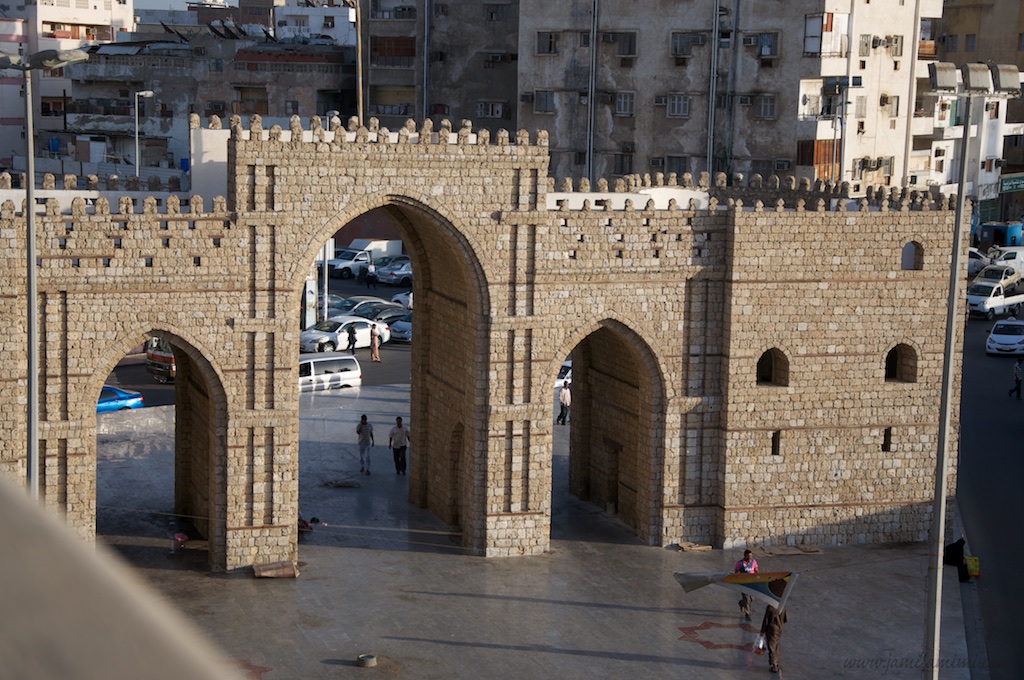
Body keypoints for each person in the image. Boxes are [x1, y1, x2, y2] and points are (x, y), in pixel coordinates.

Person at [760, 605, 787, 674]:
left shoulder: (770, 607)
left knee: (771, 646)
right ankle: (776, 662)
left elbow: (766, 620)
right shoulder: (783, 606)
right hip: (779, 629)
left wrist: (762, 631)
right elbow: (785, 619)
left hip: (771, 630)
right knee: (776, 645)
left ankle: (774, 665)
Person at [734, 549, 758, 621]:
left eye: (751, 556)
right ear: (745, 556)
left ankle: (742, 602)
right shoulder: (740, 563)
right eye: (749, 556)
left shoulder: (753, 562)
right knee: (747, 599)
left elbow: (756, 570)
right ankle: (748, 614)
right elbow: (736, 573)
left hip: (752, 583)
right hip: (744, 584)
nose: (750, 558)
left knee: (752, 598)